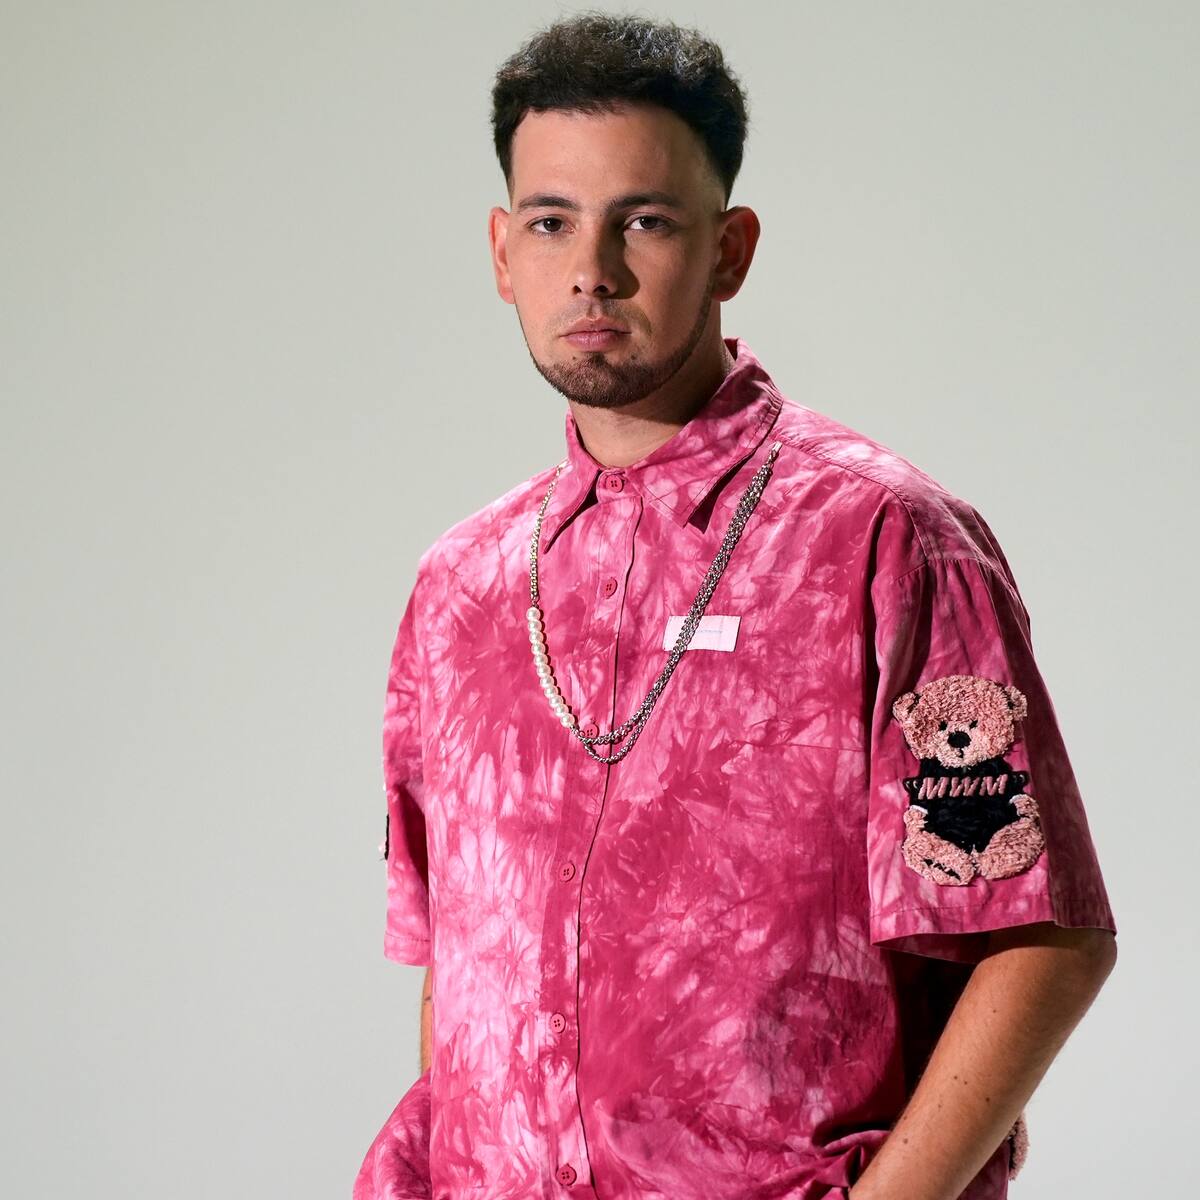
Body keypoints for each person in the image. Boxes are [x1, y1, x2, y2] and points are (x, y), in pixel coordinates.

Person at [353, 12, 1118, 1200]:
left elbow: (1041, 939)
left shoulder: (882, 543)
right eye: (551, 222)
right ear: (503, 253)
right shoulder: (463, 586)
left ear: (730, 249)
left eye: (644, 221)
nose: (592, 270)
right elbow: (457, 965)